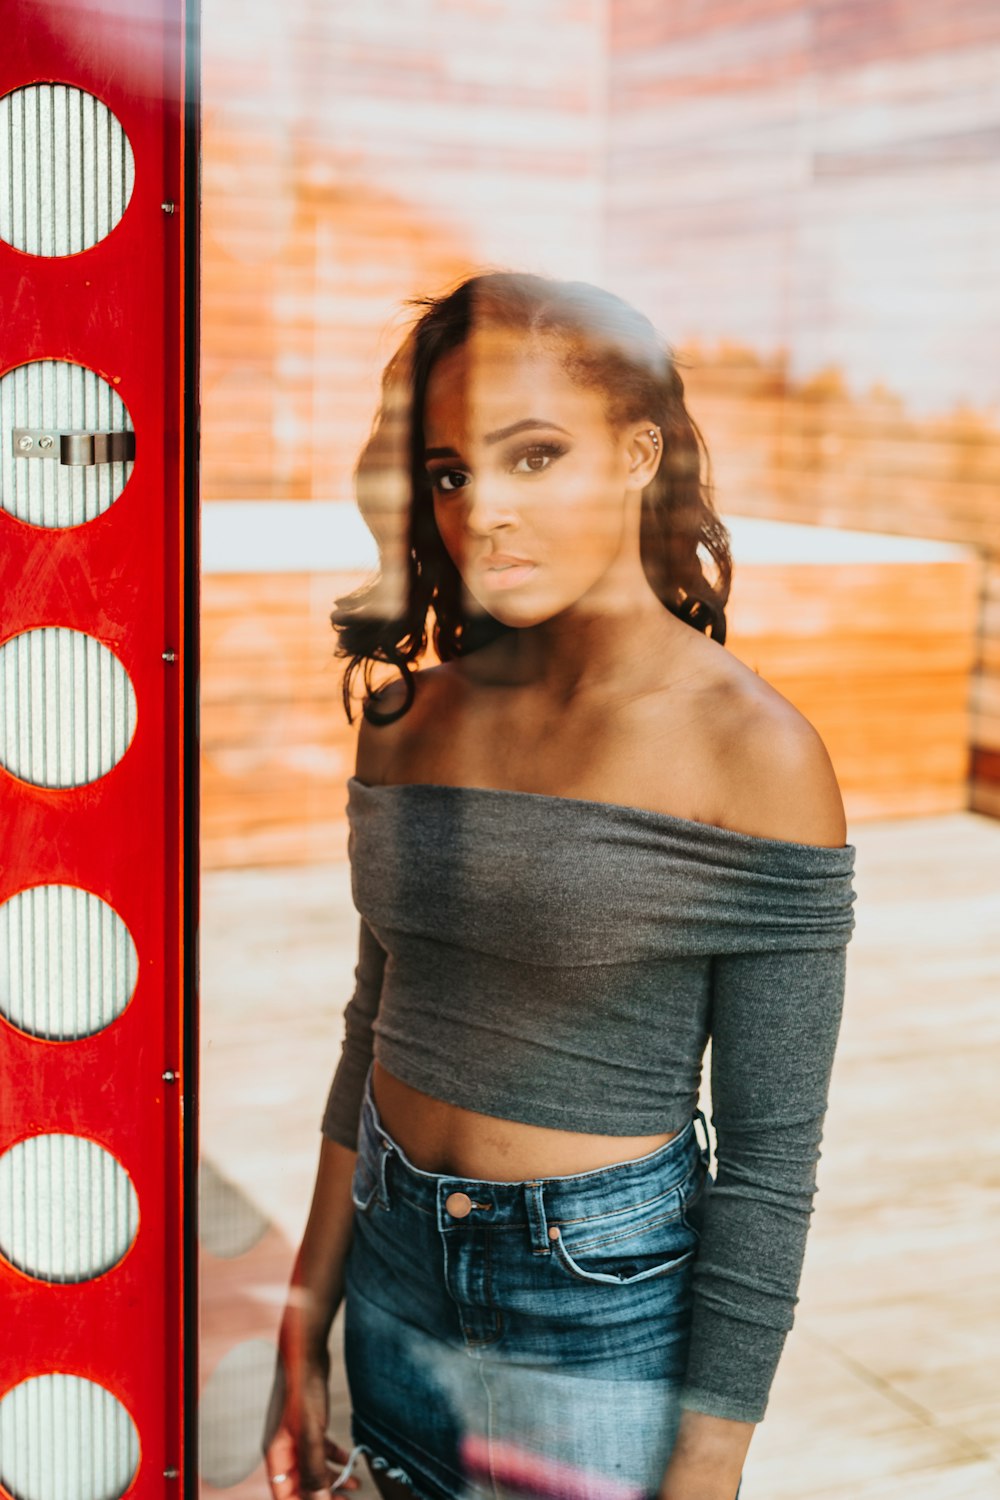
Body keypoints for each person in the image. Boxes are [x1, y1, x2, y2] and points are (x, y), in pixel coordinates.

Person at [262, 271, 857, 1500]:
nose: (479, 514)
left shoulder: (756, 755)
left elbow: (767, 1159)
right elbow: (375, 1018)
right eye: (449, 473)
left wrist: (709, 1464)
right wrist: (302, 1314)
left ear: (639, 453)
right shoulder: (410, 715)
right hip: (389, 1268)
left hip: (593, 1316)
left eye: (533, 458)